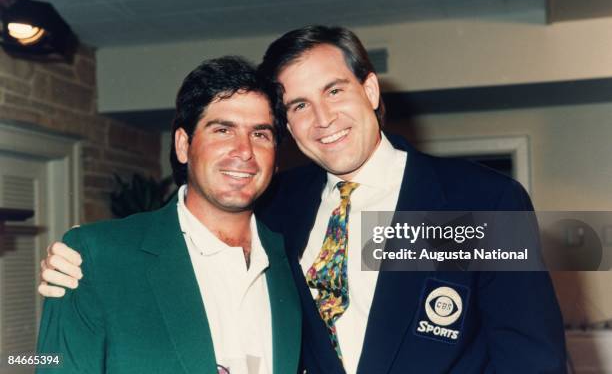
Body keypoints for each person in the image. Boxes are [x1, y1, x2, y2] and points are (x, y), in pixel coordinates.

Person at [39, 26, 566, 374]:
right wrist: (82, 259)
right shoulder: (276, 209)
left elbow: (532, 358)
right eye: (297, 105)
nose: (322, 119)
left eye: (334, 91)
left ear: (371, 90)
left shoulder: (484, 201)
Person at [35, 56, 301, 374]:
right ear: (183, 145)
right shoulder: (96, 257)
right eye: (222, 130)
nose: (244, 150)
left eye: (260, 134)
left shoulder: (292, 258)